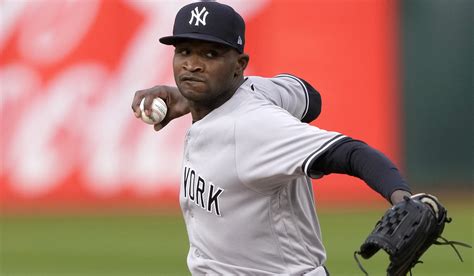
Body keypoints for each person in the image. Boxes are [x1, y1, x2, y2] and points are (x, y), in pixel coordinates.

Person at [131, 2, 411, 275]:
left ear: (239, 65)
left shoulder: (254, 126)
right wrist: (188, 96)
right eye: (184, 51)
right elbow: (310, 97)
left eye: (211, 54)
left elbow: (349, 152)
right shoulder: (258, 92)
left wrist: (404, 199)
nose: (192, 65)